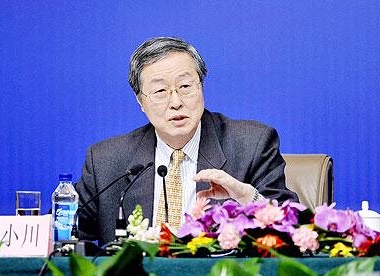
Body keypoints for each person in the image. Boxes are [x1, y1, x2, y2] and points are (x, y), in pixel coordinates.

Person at [75, 37, 298, 244]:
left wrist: (247, 196)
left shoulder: (252, 144)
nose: (176, 102)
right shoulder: (106, 161)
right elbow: (66, 233)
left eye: (185, 87)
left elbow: (293, 229)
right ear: (141, 101)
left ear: (201, 87)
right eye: (160, 91)